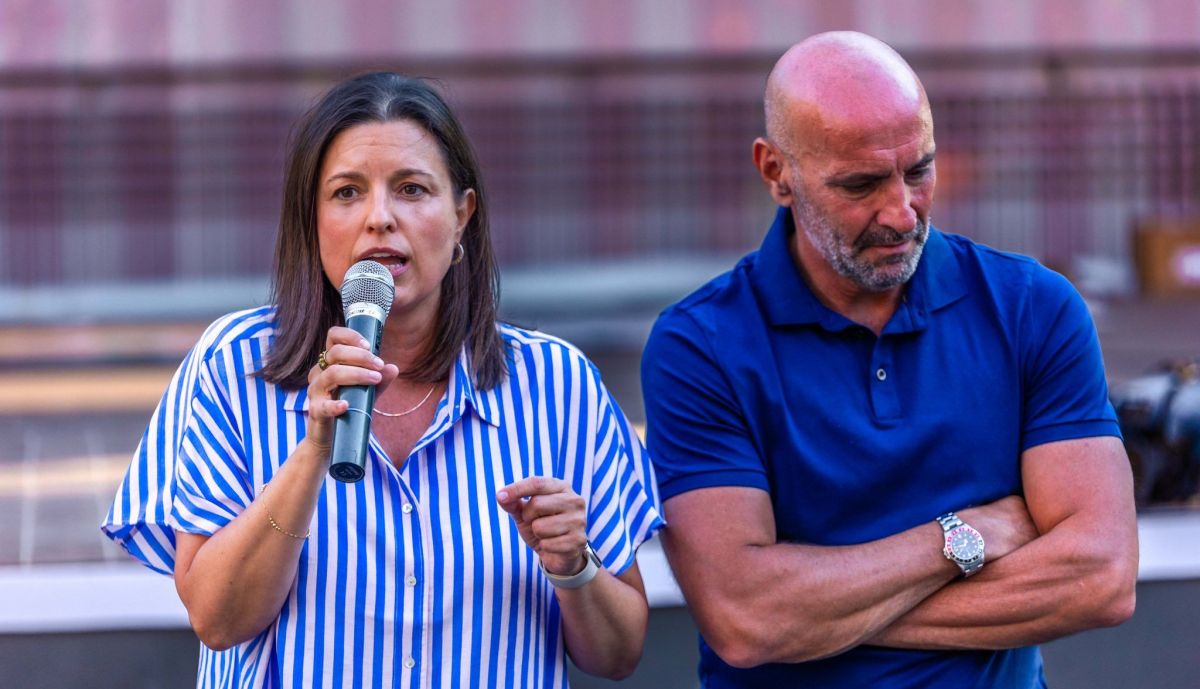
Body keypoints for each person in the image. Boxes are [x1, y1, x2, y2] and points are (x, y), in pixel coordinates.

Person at [102, 72, 663, 688]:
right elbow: (217, 618)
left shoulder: (558, 386)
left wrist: (571, 567)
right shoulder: (235, 368)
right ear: (311, 221)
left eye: (412, 189)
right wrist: (313, 453)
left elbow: (618, 654)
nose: (379, 218)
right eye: (346, 193)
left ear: (462, 218)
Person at [641, 31, 1138, 688]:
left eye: (921, 169)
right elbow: (745, 618)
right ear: (776, 173)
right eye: (861, 183)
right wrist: (964, 537)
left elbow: (1102, 577)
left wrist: (822, 616)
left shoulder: (1032, 308)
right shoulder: (699, 346)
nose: (902, 213)